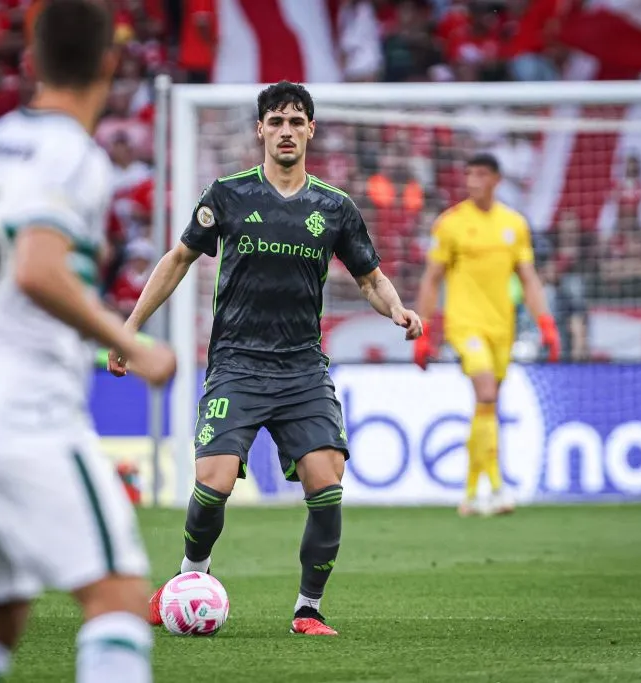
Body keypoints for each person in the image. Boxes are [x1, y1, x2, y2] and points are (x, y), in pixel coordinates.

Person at [0, 1, 176, 681]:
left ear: (31, 57)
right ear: (111, 63)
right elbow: (37, 268)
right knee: (116, 594)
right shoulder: (74, 155)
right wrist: (133, 345)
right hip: (27, 418)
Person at [109, 81, 423, 636]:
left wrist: (396, 309)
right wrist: (130, 331)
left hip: (302, 367)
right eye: (275, 121)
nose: (285, 131)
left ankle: (308, 608)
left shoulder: (334, 207)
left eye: (295, 122)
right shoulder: (229, 195)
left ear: (310, 131)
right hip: (237, 362)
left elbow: (371, 279)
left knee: (326, 485)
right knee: (214, 482)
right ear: (260, 130)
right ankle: (190, 576)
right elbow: (178, 259)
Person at [413, 152, 560, 517]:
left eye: (480, 174)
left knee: (487, 405)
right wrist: (424, 330)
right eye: (469, 174)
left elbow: (528, 278)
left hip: (502, 329)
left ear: (496, 179)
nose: (472, 181)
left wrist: (546, 323)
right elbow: (432, 279)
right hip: (465, 327)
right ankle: (495, 488)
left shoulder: (514, 224)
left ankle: (471, 494)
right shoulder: (450, 224)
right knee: (486, 392)